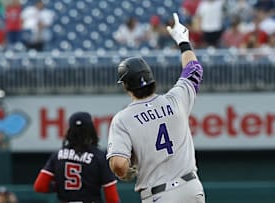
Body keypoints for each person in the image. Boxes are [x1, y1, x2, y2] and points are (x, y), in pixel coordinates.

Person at [106, 13, 205, 203]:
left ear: (126, 86)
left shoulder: (123, 119)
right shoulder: (176, 99)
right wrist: (183, 40)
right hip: (191, 188)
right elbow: (194, 69)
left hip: (159, 194)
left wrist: (125, 171)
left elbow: (119, 164)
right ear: (151, 79)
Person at [34, 112, 121, 203]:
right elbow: (112, 198)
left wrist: (60, 186)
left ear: (69, 130)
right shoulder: (99, 156)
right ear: (91, 130)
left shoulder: (57, 155)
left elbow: (40, 186)